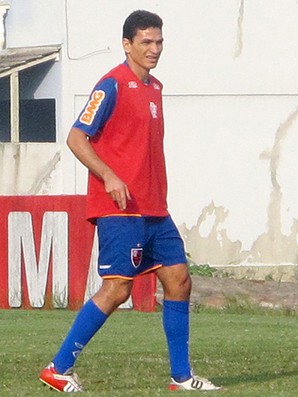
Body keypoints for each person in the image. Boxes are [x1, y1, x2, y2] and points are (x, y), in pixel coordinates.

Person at [39, 10, 220, 393]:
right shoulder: (111, 85)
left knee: (179, 279)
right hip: (120, 209)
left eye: (159, 42)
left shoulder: (155, 88)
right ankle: (57, 368)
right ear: (127, 44)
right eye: (146, 42)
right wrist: (108, 174)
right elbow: (76, 137)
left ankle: (181, 377)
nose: (154, 49)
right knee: (118, 287)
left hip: (154, 207)